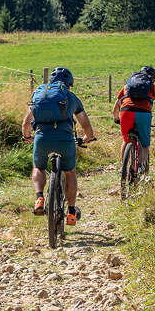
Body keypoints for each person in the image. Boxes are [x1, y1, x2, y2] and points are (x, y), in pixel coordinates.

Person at [22, 66, 95, 225]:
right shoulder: (70, 96)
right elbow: (85, 122)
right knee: (70, 173)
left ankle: (39, 198)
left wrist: (27, 136)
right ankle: (71, 212)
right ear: (69, 84)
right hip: (65, 139)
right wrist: (88, 137)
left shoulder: (39, 93)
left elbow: (26, 122)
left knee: (39, 167)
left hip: (42, 138)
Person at [113, 66, 155, 169]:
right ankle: (141, 169)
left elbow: (116, 106)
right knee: (144, 145)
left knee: (126, 140)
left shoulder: (127, 86)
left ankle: (123, 169)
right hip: (143, 114)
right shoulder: (153, 89)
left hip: (126, 112)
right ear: (152, 79)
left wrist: (116, 118)